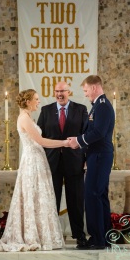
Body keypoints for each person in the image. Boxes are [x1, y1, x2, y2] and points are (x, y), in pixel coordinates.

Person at [0, 89, 70, 252]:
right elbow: (41, 141)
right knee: (32, 196)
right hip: (32, 161)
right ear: (28, 101)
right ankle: (31, 235)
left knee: (38, 197)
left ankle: (41, 234)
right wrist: (64, 143)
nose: (38, 102)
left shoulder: (28, 117)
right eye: (36, 99)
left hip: (37, 159)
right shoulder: (24, 118)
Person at [37, 81, 88, 248]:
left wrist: (86, 158)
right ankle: (50, 236)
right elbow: (39, 137)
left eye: (63, 91)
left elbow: (87, 136)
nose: (60, 94)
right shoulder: (45, 111)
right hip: (51, 163)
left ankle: (79, 236)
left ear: (69, 92)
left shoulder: (80, 110)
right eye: (57, 91)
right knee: (52, 200)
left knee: (76, 200)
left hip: (75, 162)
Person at [68, 75, 115, 250]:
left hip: (100, 156)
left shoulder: (102, 107)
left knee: (92, 195)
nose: (85, 93)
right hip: (98, 155)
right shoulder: (98, 106)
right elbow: (94, 132)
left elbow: (99, 133)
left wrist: (78, 141)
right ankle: (104, 237)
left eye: (86, 90)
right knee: (100, 195)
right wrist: (86, 155)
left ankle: (96, 239)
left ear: (94, 88)